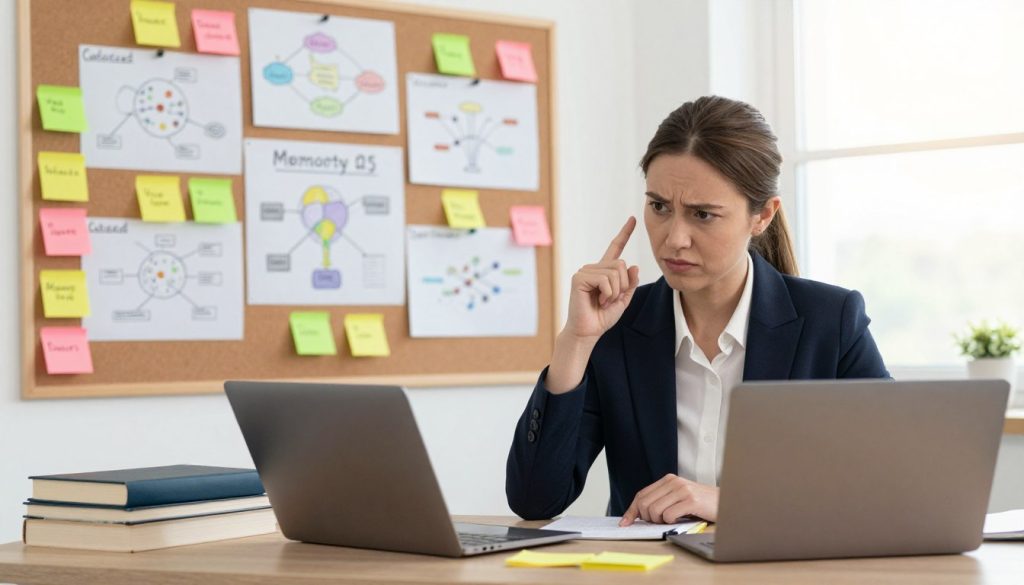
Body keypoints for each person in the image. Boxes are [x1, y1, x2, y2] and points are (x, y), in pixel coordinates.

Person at [505, 95, 889, 526]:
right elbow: (534, 499)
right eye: (659, 208)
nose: (674, 239)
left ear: (762, 215)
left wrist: (729, 503)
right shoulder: (617, 326)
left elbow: (889, 484)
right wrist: (574, 344)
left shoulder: (831, 321)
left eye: (703, 215)